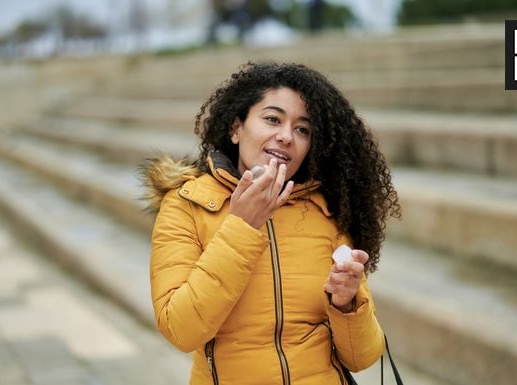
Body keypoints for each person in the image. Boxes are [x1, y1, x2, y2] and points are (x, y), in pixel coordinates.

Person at [143, 61, 401, 385]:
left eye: (302, 129)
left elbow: (362, 357)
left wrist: (347, 303)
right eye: (272, 119)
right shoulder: (185, 205)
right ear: (236, 128)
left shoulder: (325, 213)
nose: (286, 137)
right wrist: (242, 227)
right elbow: (181, 329)